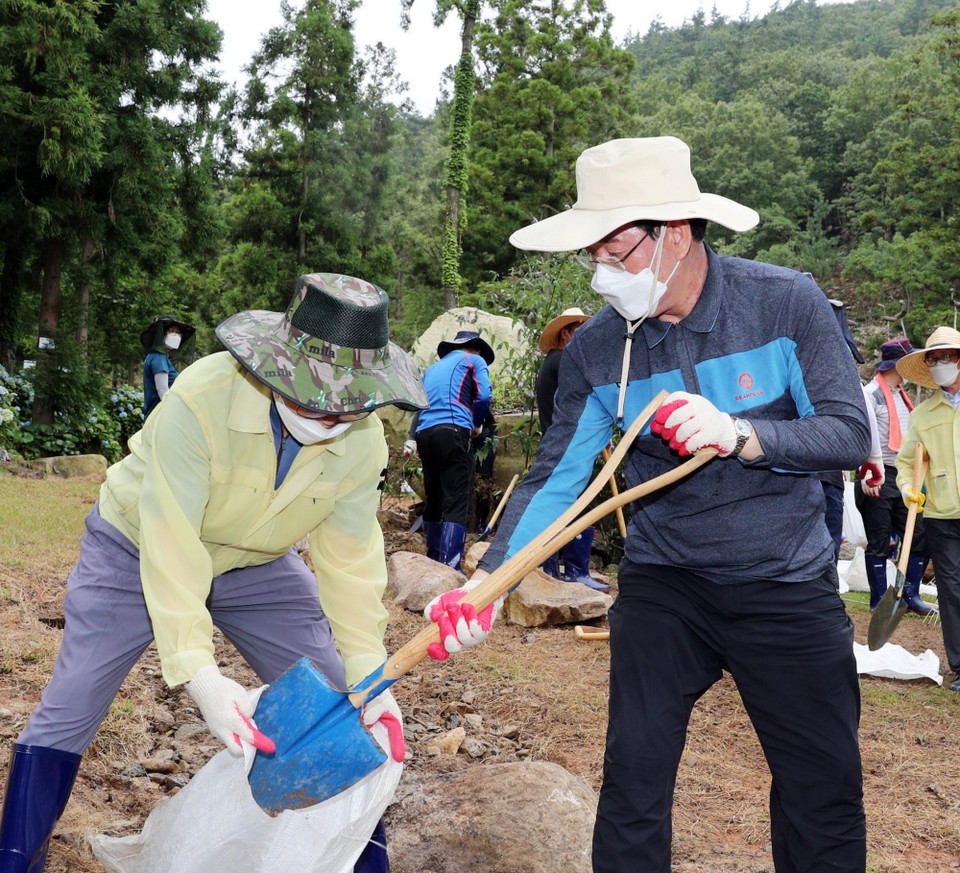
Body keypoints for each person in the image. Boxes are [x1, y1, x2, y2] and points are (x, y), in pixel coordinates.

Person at [424, 137, 870, 873]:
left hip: (785, 577)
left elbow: (849, 433)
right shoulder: (598, 350)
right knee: (634, 778)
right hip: (668, 582)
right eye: (593, 254)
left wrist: (742, 434)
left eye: (617, 250)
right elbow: (557, 477)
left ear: (678, 232)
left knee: (821, 788)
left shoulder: (784, 302)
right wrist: (486, 584)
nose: (603, 272)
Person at [0, 274, 427, 873]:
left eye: (347, 405)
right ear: (275, 369)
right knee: (74, 700)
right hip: (135, 545)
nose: (329, 416)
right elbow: (171, 538)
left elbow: (351, 557)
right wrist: (201, 677)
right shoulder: (201, 395)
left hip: (257, 564)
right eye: (311, 397)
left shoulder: (364, 442)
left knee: (340, 706)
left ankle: (361, 861)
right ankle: (16, 858)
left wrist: (370, 677)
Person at [895, 326, 960, 694]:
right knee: (952, 590)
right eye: (933, 360)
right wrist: (908, 489)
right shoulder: (923, 414)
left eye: (945, 357)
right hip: (942, 515)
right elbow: (906, 463)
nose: (939, 365)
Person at [855, 338, 933, 613]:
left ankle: (910, 594)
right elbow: (864, 435)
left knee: (920, 534)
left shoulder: (902, 395)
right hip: (878, 473)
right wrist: (867, 472)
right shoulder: (871, 394)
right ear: (897, 364)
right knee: (878, 539)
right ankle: (879, 601)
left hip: (904, 475)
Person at [535, 307, 609, 591]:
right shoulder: (564, 360)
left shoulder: (551, 363)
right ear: (566, 334)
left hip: (555, 444)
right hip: (569, 446)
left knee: (558, 504)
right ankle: (577, 571)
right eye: (579, 331)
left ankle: (551, 568)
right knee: (580, 503)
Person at [414, 329, 494, 571]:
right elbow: (483, 396)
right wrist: (477, 423)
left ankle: (433, 560)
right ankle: (450, 567)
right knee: (457, 500)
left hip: (424, 434)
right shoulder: (474, 360)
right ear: (477, 348)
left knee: (434, 498)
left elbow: (419, 405)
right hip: (454, 429)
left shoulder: (432, 369)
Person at [140, 314, 195, 420]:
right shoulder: (158, 357)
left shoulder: (159, 357)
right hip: (160, 417)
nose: (176, 336)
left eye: (178, 332)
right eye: (171, 331)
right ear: (161, 334)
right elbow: (163, 391)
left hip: (159, 416)